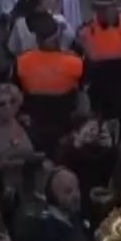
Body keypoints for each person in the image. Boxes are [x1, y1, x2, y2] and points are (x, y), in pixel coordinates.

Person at [13, 13, 84, 150]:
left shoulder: (22, 61)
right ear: (58, 34)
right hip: (65, 130)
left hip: (34, 129)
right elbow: (82, 94)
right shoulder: (74, 62)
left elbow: (15, 92)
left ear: (37, 38)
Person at [76, 0, 121, 125]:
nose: (102, 13)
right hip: (100, 94)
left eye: (106, 8)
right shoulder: (86, 31)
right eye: (98, 9)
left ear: (115, 7)